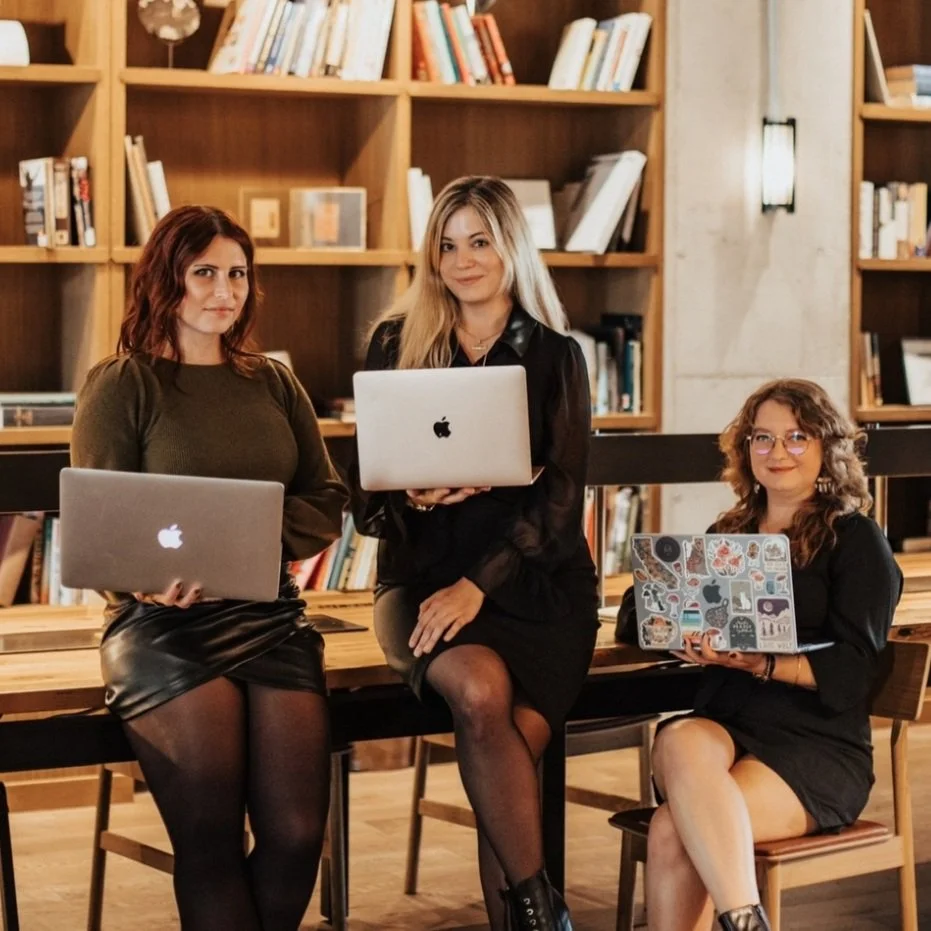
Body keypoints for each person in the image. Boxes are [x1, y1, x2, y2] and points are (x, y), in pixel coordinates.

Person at [71, 205, 348, 931]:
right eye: (205, 273)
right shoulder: (123, 383)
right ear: (167, 279)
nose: (224, 291)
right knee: (211, 844)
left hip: (271, 617)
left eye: (236, 274)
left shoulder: (274, 382)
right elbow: (102, 522)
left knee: (294, 837)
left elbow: (325, 497)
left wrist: (253, 540)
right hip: (163, 628)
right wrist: (142, 579)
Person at [349, 176, 598, 931]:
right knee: (483, 697)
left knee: (506, 749)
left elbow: (558, 504)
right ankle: (541, 910)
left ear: (509, 246)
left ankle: (524, 917)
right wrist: (410, 496)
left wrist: (478, 587)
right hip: (419, 581)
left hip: (537, 589)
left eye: (479, 241)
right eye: (447, 245)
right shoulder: (395, 344)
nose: (462, 260)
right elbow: (365, 501)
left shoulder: (554, 356)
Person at [645, 378, 902, 931]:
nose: (777, 452)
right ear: (745, 450)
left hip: (816, 743)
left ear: (825, 448)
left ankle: (742, 917)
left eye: (796, 437)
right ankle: (748, 919)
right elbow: (651, 604)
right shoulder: (730, 531)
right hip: (729, 723)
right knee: (679, 735)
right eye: (762, 438)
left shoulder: (856, 541)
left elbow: (857, 668)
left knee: (672, 829)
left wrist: (760, 664)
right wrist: (681, 632)